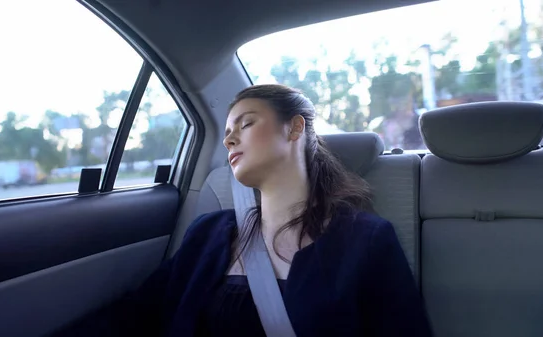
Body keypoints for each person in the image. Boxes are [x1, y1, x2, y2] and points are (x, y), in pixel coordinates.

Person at [57, 84, 432, 337]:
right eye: (226, 130)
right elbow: (137, 316)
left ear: (294, 128)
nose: (229, 138)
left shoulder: (365, 240)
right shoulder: (208, 233)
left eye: (246, 123)